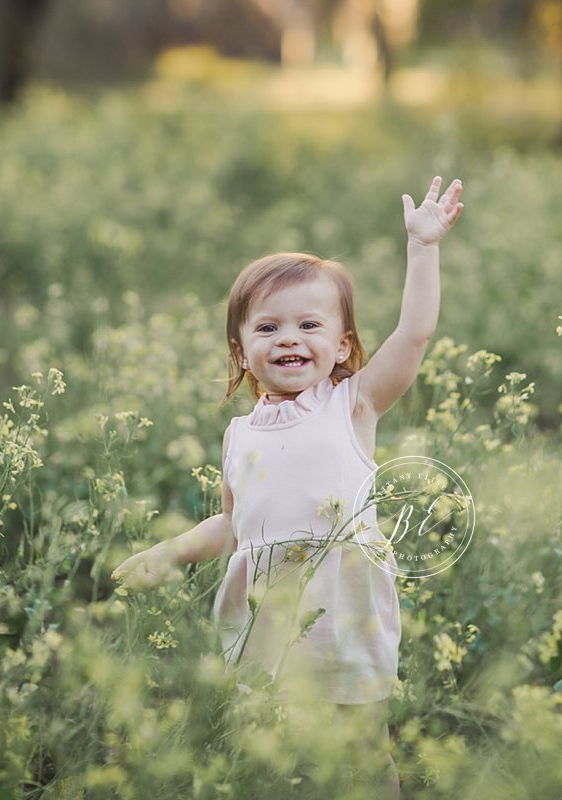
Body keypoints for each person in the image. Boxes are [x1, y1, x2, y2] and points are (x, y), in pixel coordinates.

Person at [111, 175, 464, 798]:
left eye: (308, 324)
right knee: (269, 749)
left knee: (361, 746)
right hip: (265, 614)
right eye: (268, 328)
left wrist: (423, 248)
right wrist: (167, 553)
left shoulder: (353, 405)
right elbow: (231, 525)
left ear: (341, 345)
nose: (290, 338)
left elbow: (414, 335)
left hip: (344, 607)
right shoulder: (238, 435)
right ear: (242, 352)